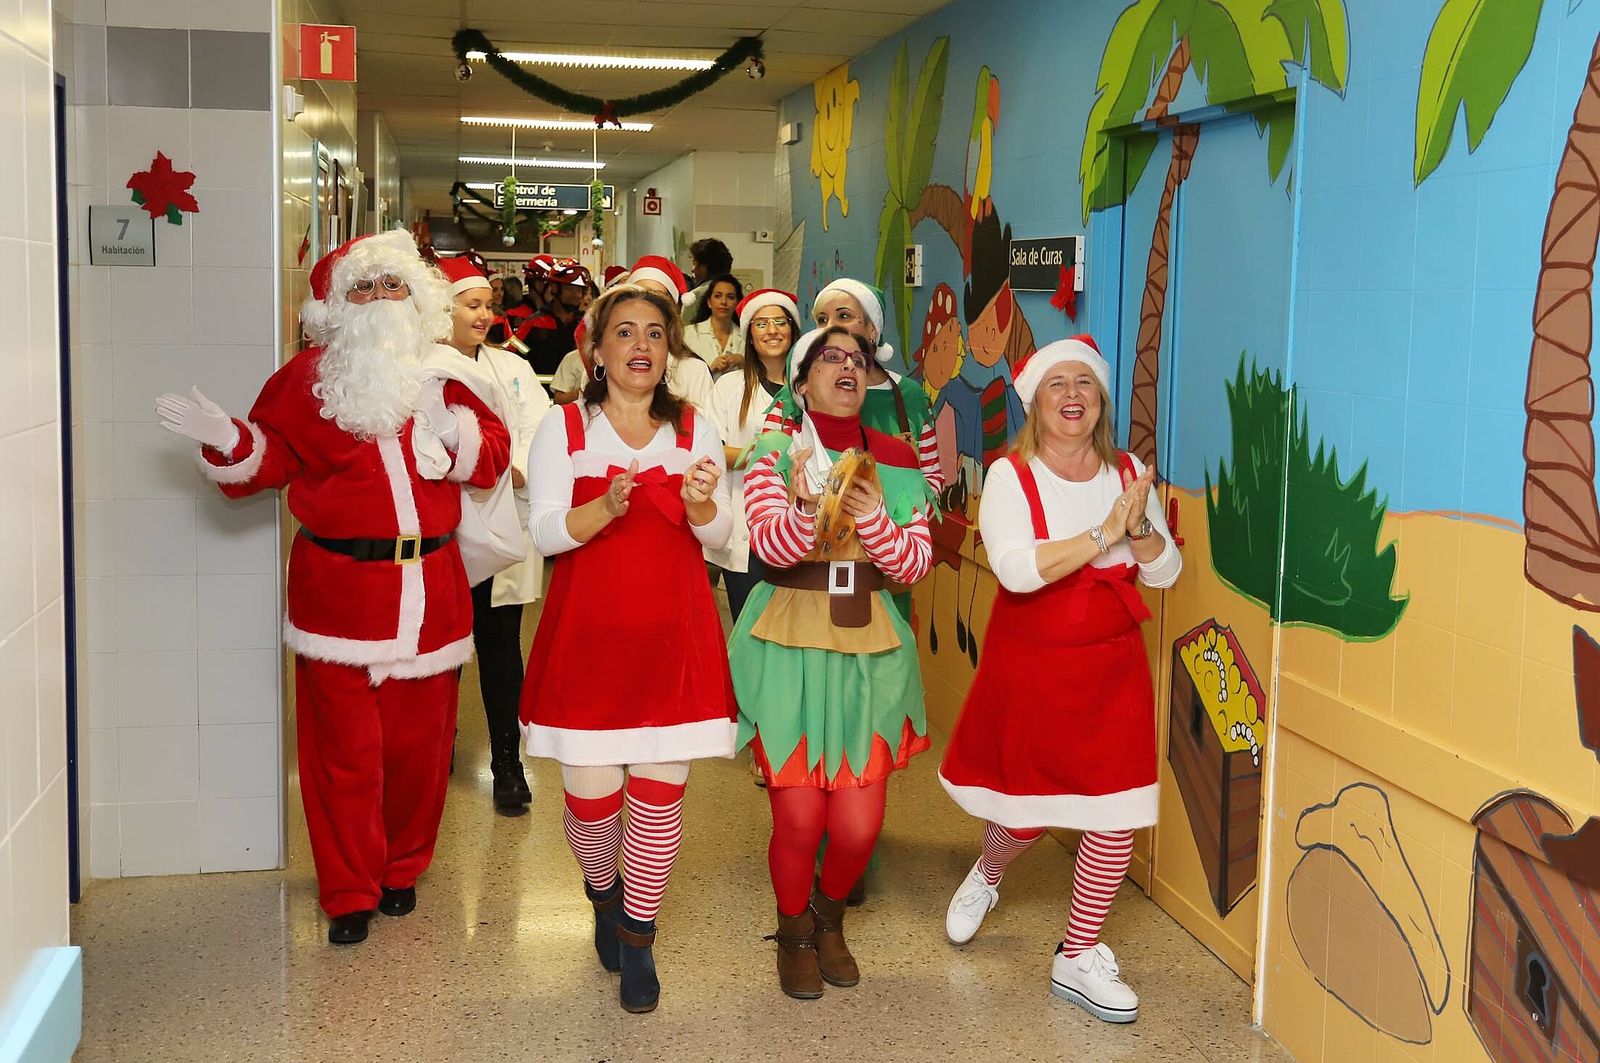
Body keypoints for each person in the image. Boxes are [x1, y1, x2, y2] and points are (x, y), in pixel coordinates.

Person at [154, 230, 510, 945]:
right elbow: (265, 463)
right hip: (338, 595)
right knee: (342, 755)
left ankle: (401, 869)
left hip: (431, 592)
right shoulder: (305, 379)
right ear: (336, 306)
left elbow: (492, 458)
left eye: (392, 284)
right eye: (363, 287)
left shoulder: (444, 373)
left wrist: (455, 431)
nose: (379, 298)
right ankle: (348, 889)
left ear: (416, 296)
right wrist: (226, 438)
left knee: (417, 753)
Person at [937, 335, 1179, 1024]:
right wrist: (1106, 532)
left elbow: (1164, 572)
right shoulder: (1010, 475)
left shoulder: (1127, 471)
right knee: (1026, 812)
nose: (1073, 395)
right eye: (1057, 384)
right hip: (1034, 666)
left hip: (1113, 669)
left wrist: (1141, 527)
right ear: (1035, 403)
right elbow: (1016, 571)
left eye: (1085, 383)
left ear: (1100, 400)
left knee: (1116, 813)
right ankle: (988, 872)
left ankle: (1077, 954)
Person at [520, 283, 737, 1014]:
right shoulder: (564, 428)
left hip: (674, 640)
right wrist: (603, 507)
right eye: (624, 332)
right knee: (593, 811)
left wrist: (701, 502)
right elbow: (546, 531)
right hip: (587, 643)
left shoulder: (695, 428)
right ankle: (603, 894)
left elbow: (720, 534)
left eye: (654, 332)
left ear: (669, 349)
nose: (640, 345)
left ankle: (638, 938)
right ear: (597, 349)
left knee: (656, 803)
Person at [727, 326, 936, 1000]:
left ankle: (828, 916)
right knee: (798, 820)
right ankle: (794, 933)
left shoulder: (897, 457)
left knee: (857, 826)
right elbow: (770, 547)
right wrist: (808, 508)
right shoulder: (775, 452)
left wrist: (873, 518)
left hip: (869, 643)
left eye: (858, 359)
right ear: (802, 380)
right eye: (830, 358)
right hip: (788, 639)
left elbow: (914, 564)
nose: (848, 367)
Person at [436, 255, 553, 812]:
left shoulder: (512, 368)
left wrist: (517, 467)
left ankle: (507, 760)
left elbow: (538, 426)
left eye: (487, 305)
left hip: (503, 524)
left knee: (501, 645)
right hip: (442, 530)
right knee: (440, 649)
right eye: (471, 305)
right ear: (443, 310)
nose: (484, 315)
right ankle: (437, 749)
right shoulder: (421, 368)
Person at [763, 280, 944, 498]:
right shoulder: (795, 393)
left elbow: (931, 475)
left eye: (843, 316)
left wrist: (897, 511)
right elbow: (769, 465)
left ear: (873, 329)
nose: (830, 326)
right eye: (822, 320)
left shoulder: (910, 396)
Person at [704, 288, 796, 620]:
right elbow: (712, 451)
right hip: (747, 526)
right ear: (750, 335)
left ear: (793, 329)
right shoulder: (730, 387)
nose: (772, 330)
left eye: (780, 322)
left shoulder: (811, 385)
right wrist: (766, 453)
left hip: (801, 528)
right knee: (749, 629)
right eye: (761, 323)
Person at [627, 255, 713, 411]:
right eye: (637, 294)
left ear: (674, 308)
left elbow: (704, 423)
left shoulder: (694, 371)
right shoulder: (607, 363)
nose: (647, 304)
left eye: (657, 297)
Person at [524, 259, 590, 376]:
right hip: (538, 387)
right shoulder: (533, 323)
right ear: (554, 288)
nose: (578, 295)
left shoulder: (588, 324)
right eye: (570, 289)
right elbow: (512, 358)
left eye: (580, 290)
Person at [683, 273, 745, 373]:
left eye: (730, 297)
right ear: (709, 302)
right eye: (718, 296)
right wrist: (710, 369)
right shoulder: (689, 334)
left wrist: (743, 362)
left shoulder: (745, 337)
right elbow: (683, 373)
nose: (723, 302)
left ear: (737, 303)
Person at [682, 237, 733, 320]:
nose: (693, 270)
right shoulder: (736, 294)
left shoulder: (695, 297)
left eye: (694, 263)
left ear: (704, 267)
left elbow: (684, 326)